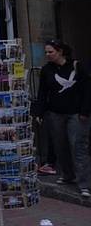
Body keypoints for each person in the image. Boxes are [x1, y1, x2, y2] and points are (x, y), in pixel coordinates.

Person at [34, 39, 91, 199]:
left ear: (60, 52)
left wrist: (85, 110)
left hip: (76, 113)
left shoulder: (77, 66)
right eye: (46, 52)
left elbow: (87, 89)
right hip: (55, 113)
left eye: (50, 52)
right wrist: (39, 112)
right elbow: (42, 92)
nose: (47, 55)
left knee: (78, 145)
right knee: (60, 145)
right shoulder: (46, 70)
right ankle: (67, 174)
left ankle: (84, 183)